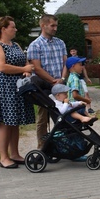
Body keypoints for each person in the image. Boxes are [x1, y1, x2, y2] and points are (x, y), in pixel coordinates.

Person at [0, 16, 36, 168]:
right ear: (3, 29)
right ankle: (4, 158)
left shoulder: (15, 45)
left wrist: (27, 71)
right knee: (4, 123)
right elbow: (2, 67)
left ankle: (15, 154)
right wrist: (24, 69)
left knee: (14, 122)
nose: (15, 29)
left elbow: (25, 62)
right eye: (13, 27)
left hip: (16, 86)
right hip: (2, 87)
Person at [28, 14, 68, 149]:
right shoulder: (35, 45)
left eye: (56, 25)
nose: (55, 28)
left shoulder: (60, 42)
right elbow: (37, 69)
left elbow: (65, 63)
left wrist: (62, 79)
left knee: (63, 115)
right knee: (43, 117)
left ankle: (64, 145)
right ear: (43, 25)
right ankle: (43, 146)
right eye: (52, 25)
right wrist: (52, 81)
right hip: (44, 87)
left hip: (60, 86)